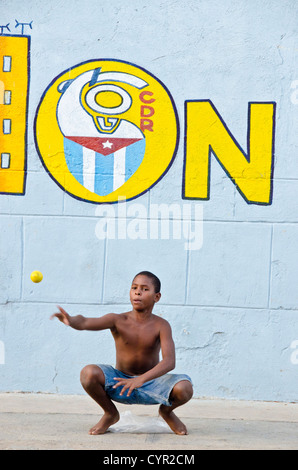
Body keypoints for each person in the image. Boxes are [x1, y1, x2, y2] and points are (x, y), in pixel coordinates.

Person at [51, 271, 193, 435]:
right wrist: (72, 321)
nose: (137, 292)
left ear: (157, 297)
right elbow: (85, 322)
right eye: (134, 288)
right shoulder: (117, 320)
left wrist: (141, 379)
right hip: (120, 381)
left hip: (151, 383)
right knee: (88, 373)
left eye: (145, 289)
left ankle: (166, 412)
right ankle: (110, 413)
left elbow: (169, 362)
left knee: (185, 387)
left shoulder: (162, 325)